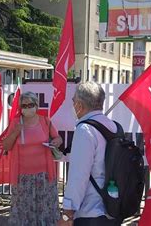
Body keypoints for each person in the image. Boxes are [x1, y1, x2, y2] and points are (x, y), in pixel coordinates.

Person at [58, 82, 120, 226]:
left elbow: (78, 175)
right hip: (112, 207)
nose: (72, 105)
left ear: (79, 105)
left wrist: (67, 214)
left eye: (73, 101)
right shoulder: (114, 126)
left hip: (90, 211)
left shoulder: (85, 130)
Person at [3, 91, 63, 226]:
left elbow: (58, 137)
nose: (27, 108)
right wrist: (16, 132)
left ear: (36, 105)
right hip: (22, 177)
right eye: (24, 105)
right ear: (20, 108)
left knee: (45, 208)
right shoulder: (15, 123)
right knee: (24, 210)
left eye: (30, 104)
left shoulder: (45, 121)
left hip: (44, 176)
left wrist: (56, 142)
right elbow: (6, 146)